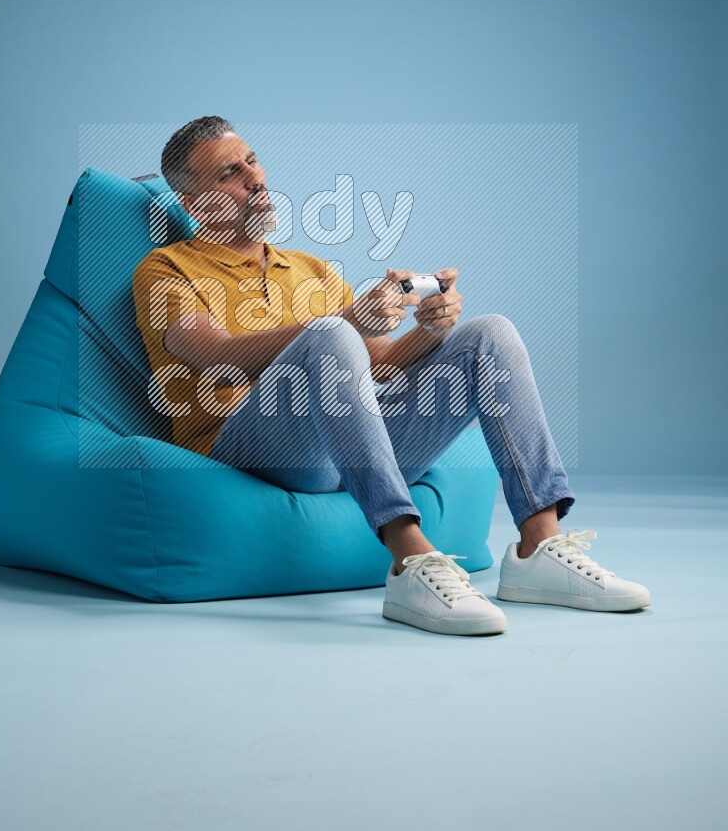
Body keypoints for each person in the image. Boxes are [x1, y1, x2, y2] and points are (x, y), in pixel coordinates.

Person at [133, 116, 651, 636]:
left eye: (251, 160)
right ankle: (409, 562)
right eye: (229, 173)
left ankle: (539, 544)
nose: (255, 178)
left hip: (343, 447)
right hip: (251, 450)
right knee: (332, 334)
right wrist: (345, 324)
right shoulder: (166, 269)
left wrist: (430, 328)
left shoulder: (309, 268)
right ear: (195, 203)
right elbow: (211, 351)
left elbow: (376, 361)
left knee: (489, 333)